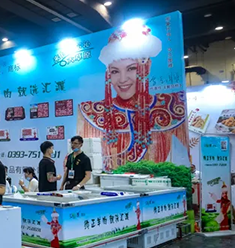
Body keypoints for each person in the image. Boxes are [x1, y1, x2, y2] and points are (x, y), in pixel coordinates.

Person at [77, 19, 188, 171]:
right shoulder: (90, 112)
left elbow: (186, 162)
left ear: (147, 67)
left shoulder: (171, 106)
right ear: (108, 74)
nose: (123, 79)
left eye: (131, 69)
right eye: (115, 71)